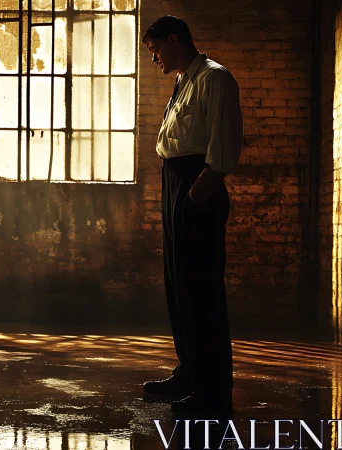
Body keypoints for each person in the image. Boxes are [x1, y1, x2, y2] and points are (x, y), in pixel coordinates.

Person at [140, 15, 243, 415]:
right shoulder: (184, 80)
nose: (155, 59)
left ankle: (212, 391)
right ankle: (190, 373)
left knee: (202, 291)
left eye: (155, 50)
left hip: (197, 187)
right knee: (179, 287)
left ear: (173, 40)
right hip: (176, 184)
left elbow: (224, 151)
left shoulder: (215, 78)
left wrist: (194, 198)